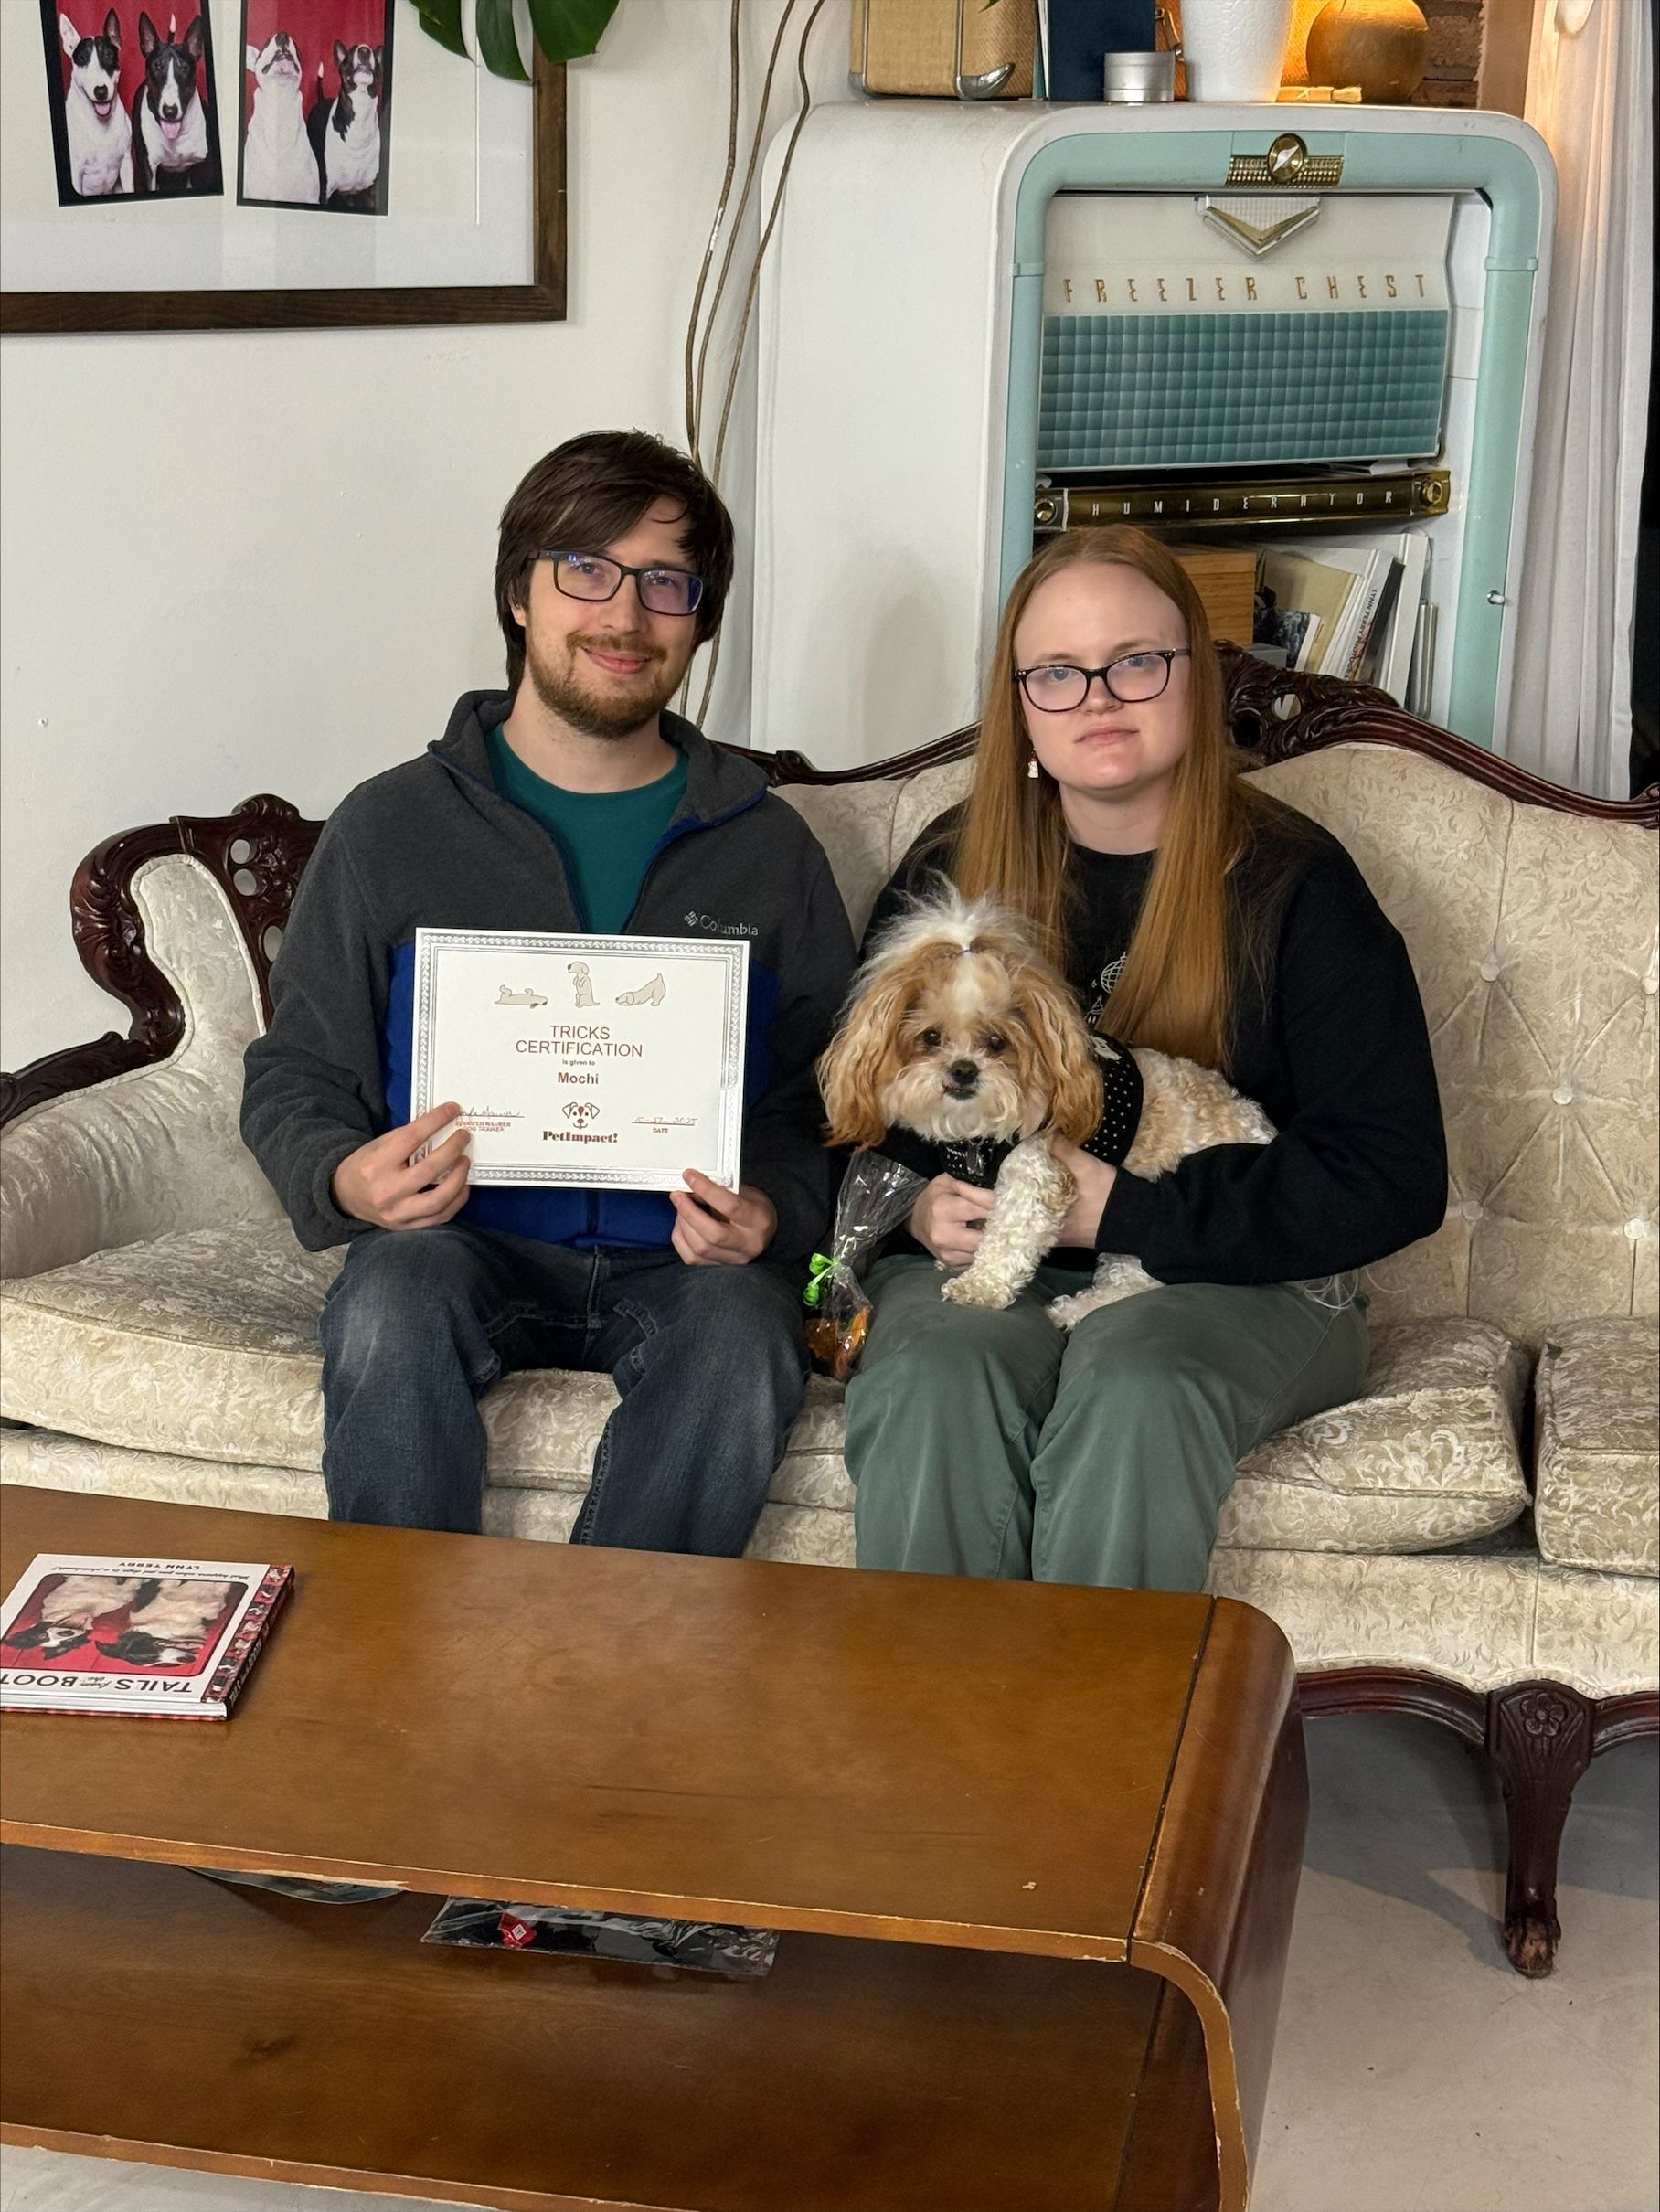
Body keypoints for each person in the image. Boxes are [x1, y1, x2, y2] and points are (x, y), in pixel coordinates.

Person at [242, 431, 855, 1551]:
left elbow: (832, 1097)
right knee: (388, 1301)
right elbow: (297, 1069)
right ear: (518, 593)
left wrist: (774, 1210)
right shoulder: (391, 826)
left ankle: (605, 1692)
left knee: (740, 1338)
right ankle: (402, 1666)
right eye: (586, 568)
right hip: (457, 1240)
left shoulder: (769, 848)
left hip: (684, 1263)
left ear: (699, 620)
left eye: (666, 584)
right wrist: (345, 1175)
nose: (624, 616)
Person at [843, 526, 1447, 1591]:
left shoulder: (1297, 887)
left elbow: (1391, 1175)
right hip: (997, 1263)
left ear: (1195, 677)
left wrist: (1129, 1215)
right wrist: (913, 1206)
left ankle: (1098, 1757)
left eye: (1136, 660)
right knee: (936, 1368)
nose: (1097, 697)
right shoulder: (951, 868)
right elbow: (864, 1101)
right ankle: (930, 1745)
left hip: (1240, 1276)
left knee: (1135, 1374)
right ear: (1019, 701)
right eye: (1057, 673)